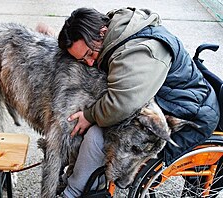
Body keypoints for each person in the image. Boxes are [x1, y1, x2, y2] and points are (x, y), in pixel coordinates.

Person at [45, 7, 219, 198]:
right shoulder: (117, 35)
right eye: (82, 59)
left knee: (98, 136)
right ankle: (81, 183)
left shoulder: (140, 51)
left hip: (189, 115)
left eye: (88, 54)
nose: (88, 63)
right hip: (168, 103)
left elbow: (122, 104)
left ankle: (74, 193)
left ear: (102, 32)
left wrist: (89, 115)